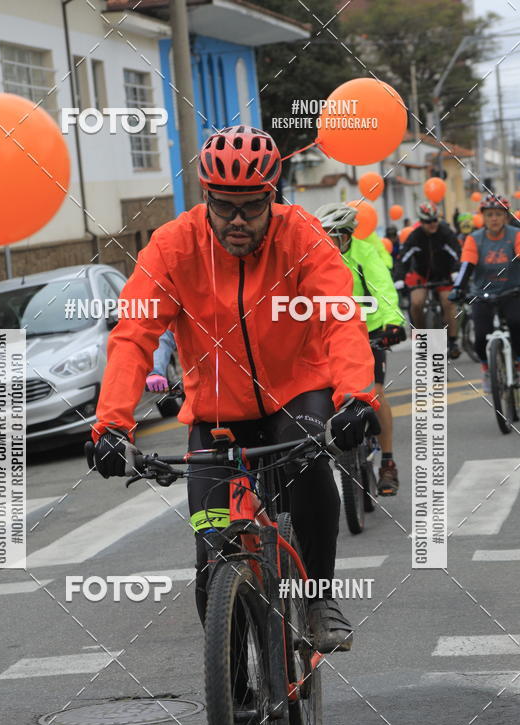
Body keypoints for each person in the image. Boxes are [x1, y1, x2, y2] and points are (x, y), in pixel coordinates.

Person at [86, 125, 380, 654]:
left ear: (273, 195)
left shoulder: (302, 237)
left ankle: (317, 598)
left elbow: (340, 317)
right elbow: (132, 337)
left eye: (252, 206)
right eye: (224, 207)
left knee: (310, 460)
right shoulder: (173, 247)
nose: (238, 221)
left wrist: (357, 396)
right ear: (206, 197)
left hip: (297, 393)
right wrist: (111, 426)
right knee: (211, 557)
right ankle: (238, 696)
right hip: (216, 414)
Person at [316, 203, 406, 496]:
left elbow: (383, 287)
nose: (329, 242)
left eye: (335, 237)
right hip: (331, 334)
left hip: (370, 330)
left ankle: (388, 464)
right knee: (324, 393)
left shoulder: (365, 252)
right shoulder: (316, 258)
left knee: (377, 392)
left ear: (347, 235)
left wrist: (393, 322)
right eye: (325, 236)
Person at [449, 195, 520, 392]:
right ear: (484, 217)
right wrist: (457, 288)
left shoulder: (515, 235)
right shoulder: (474, 239)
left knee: (516, 323)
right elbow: (466, 266)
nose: (494, 219)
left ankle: (518, 363)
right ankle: (487, 369)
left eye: (498, 214)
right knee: (480, 335)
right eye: (490, 215)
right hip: (482, 294)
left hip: (512, 291)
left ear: (506, 217)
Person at [397, 201, 461, 358]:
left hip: (444, 275)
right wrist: (399, 277)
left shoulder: (446, 233)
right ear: (421, 221)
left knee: (449, 302)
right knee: (416, 303)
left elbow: (457, 253)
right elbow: (403, 258)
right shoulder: (415, 236)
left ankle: (452, 341)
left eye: (434, 220)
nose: (432, 224)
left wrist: (456, 271)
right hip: (422, 275)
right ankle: (420, 338)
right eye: (427, 221)